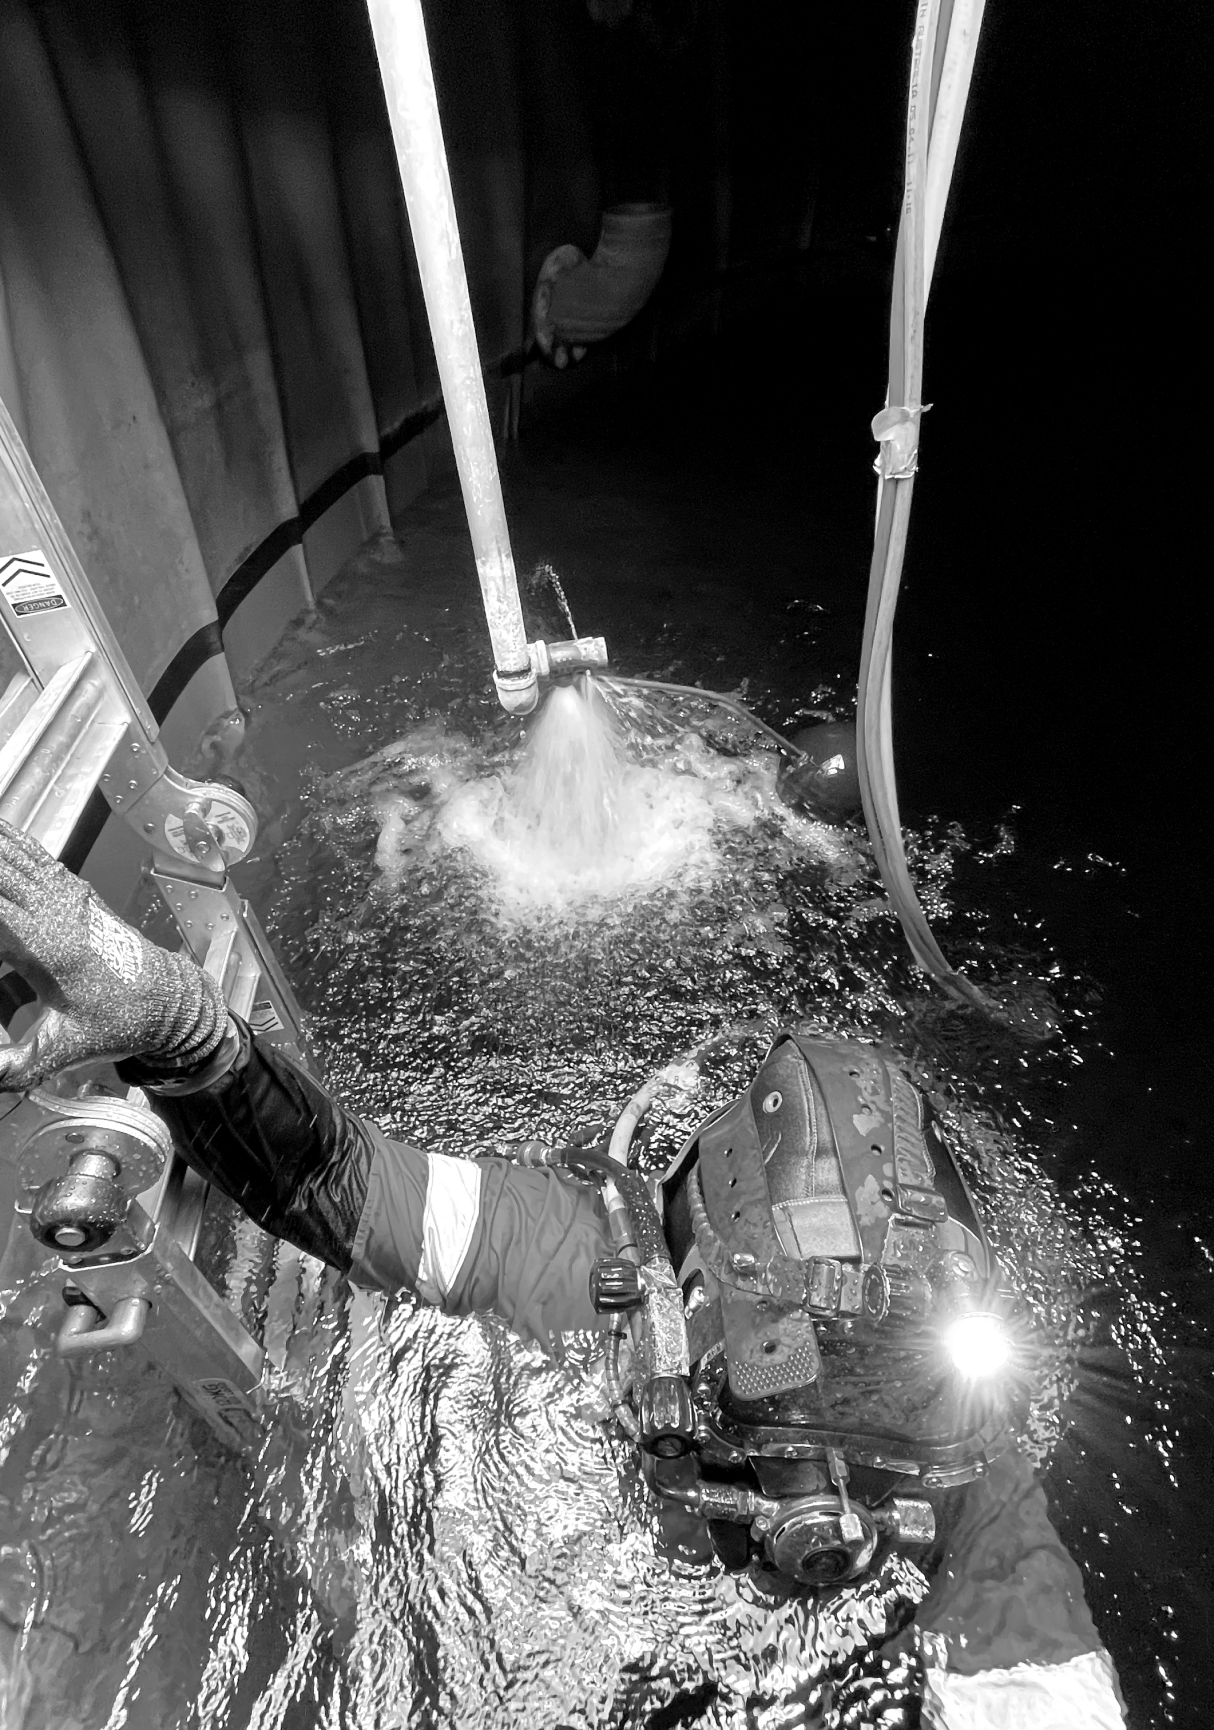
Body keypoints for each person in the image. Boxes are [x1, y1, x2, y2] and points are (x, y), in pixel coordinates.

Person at [0, 817, 1125, 1727]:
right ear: (688, 1288)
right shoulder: (607, 1261)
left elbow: (1035, 1658)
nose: (818, 1492)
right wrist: (181, 1029)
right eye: (781, 1401)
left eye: (870, 1405)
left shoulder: (952, 1438)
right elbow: (351, 1185)